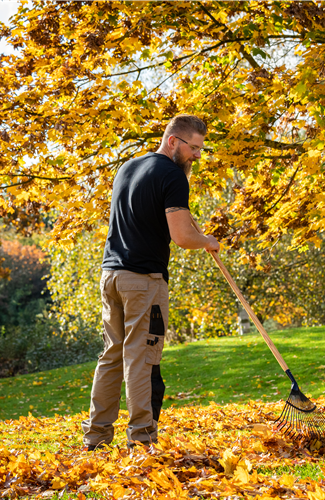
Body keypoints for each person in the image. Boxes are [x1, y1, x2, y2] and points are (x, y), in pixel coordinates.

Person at [82, 115, 220, 450]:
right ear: (173, 141)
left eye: (201, 149)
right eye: (194, 148)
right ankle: (142, 440)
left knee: (111, 355)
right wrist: (207, 240)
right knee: (140, 358)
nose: (198, 156)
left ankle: (95, 437)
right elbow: (183, 237)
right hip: (143, 281)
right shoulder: (172, 176)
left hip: (111, 275)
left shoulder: (127, 168)